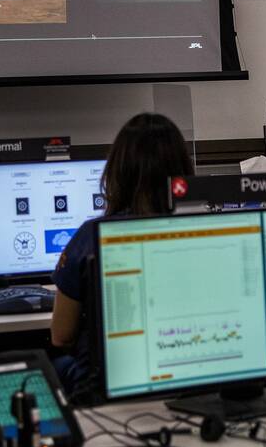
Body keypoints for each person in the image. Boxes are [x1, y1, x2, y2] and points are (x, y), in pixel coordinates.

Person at [50, 112, 193, 394]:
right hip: (185, 373)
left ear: (117, 172)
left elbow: (61, 335)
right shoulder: (207, 233)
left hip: (110, 385)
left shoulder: (91, 237)